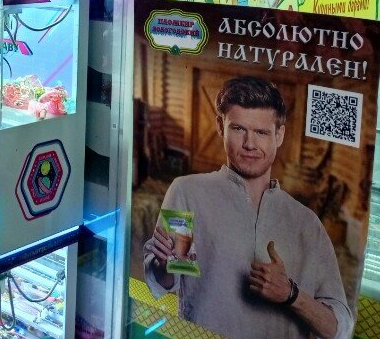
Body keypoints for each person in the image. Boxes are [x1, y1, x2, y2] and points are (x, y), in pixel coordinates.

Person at [144, 76, 351, 339]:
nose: (250, 144)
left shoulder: (307, 223)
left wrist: (291, 294)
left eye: (261, 132)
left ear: (279, 135)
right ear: (220, 127)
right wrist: (164, 264)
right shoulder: (187, 192)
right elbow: (164, 282)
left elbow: (338, 329)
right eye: (238, 129)